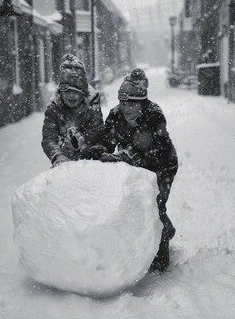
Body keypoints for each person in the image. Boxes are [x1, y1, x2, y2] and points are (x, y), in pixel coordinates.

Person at [101, 68, 178, 272]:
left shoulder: (154, 115)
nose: (126, 108)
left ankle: (161, 257)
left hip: (162, 166)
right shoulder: (115, 115)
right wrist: (96, 152)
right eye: (123, 103)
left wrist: (126, 155)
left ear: (142, 102)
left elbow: (153, 149)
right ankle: (161, 232)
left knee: (155, 203)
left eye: (132, 103)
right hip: (133, 166)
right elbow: (106, 142)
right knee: (135, 204)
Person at [41, 55, 105, 167]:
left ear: (83, 93)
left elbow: (97, 133)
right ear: (61, 92)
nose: (71, 95)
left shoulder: (92, 108)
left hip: (90, 162)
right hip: (63, 162)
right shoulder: (53, 109)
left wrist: (84, 144)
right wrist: (57, 155)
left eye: (75, 91)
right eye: (67, 91)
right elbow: (49, 138)